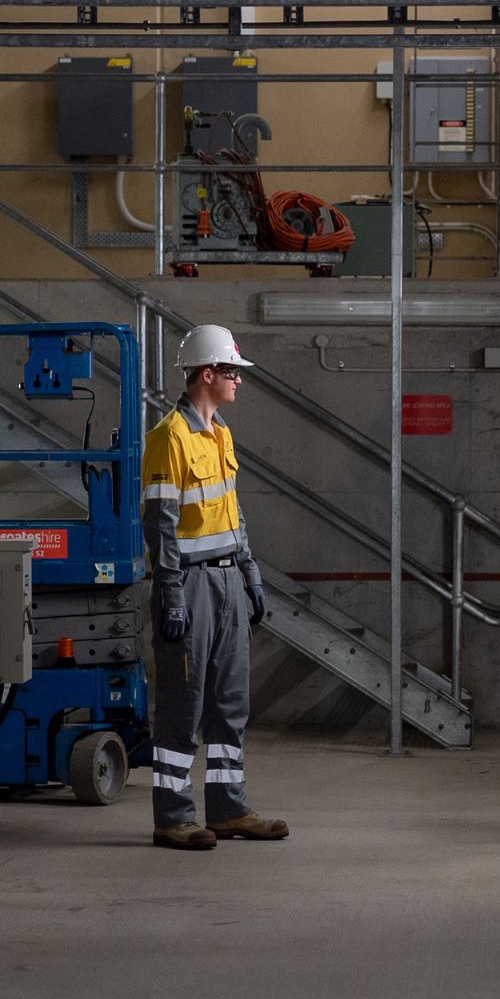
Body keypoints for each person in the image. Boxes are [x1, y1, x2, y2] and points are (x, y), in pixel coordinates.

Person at [141, 324, 289, 851]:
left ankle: (227, 809)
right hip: (192, 586)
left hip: (226, 581)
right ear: (208, 374)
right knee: (183, 705)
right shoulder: (169, 438)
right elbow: (160, 523)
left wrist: (249, 571)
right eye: (232, 372)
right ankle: (173, 817)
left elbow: (233, 511)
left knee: (229, 703)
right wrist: (172, 593)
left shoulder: (220, 433)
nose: (238, 382)